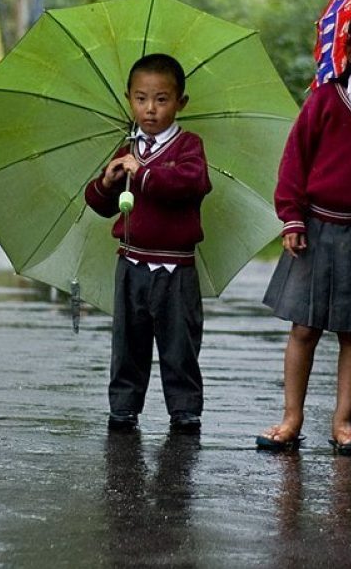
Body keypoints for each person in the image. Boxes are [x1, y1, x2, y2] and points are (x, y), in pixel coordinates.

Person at [257, 6, 351, 456]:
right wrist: (292, 216)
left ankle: (343, 420)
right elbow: (295, 160)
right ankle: (292, 416)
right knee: (304, 328)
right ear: (349, 51)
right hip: (316, 229)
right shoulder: (325, 100)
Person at [85, 53, 211, 433]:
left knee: (179, 343)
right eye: (141, 99)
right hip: (132, 263)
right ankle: (123, 407)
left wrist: (143, 173)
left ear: (180, 102)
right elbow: (100, 205)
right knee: (128, 342)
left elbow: (189, 183)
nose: (150, 109)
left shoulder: (188, 146)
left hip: (176, 266)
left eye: (161, 99)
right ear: (129, 99)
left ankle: (184, 409)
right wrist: (107, 181)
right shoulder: (127, 150)